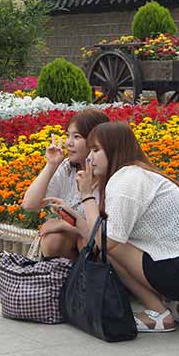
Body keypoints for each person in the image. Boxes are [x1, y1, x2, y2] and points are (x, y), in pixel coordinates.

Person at [67, 122, 179, 334]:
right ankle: (173, 302)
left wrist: (86, 196)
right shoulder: (138, 173)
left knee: (107, 247)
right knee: (109, 239)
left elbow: (105, 241)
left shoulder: (125, 180)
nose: (89, 158)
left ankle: (159, 313)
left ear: (114, 150)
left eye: (96, 150)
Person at [22, 109, 109, 259]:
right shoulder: (68, 168)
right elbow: (30, 204)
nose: (69, 143)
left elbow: (104, 233)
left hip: (104, 245)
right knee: (53, 240)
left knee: (84, 242)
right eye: (68, 135)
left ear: (95, 141)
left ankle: (89, 280)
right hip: (73, 242)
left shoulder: (110, 174)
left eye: (77, 137)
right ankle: (64, 280)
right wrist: (51, 165)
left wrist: (63, 224)